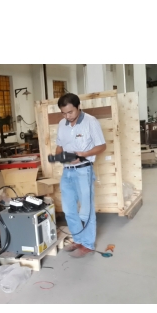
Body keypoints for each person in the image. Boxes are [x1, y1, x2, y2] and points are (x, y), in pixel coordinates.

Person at [55, 93, 106, 258]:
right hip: (67, 171)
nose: (67, 116)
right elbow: (59, 146)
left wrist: (84, 154)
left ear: (78, 107)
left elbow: (102, 146)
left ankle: (88, 244)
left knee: (87, 210)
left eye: (70, 112)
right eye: (63, 113)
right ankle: (77, 239)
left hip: (84, 170)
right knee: (68, 209)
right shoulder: (62, 124)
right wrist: (59, 156)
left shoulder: (91, 122)